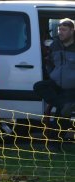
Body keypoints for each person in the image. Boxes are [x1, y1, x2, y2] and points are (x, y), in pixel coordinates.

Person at [33, 18, 75, 148]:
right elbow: (49, 62)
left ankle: (56, 142)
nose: (60, 32)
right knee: (39, 86)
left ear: (72, 31)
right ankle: (63, 104)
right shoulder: (54, 45)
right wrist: (52, 75)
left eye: (64, 30)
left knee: (62, 114)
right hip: (56, 84)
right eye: (59, 29)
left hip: (72, 87)